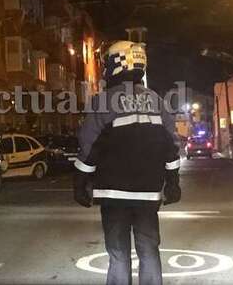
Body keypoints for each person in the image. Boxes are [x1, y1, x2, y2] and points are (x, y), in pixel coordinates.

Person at [73, 40, 181, 285]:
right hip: (148, 193)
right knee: (149, 250)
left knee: (118, 254)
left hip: (113, 194)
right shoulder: (157, 101)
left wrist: (80, 184)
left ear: (116, 64)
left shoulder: (104, 102)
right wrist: (173, 183)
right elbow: (171, 147)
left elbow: (88, 147)